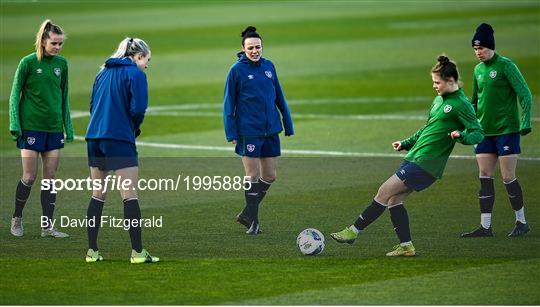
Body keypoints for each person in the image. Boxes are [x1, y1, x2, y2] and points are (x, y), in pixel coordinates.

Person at [331, 56, 484, 256]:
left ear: (450, 81)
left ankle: (352, 232)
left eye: (437, 82)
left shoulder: (461, 104)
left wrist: (461, 135)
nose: (434, 86)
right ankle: (406, 246)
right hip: (416, 157)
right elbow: (426, 129)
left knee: (383, 192)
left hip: (427, 162)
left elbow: (478, 132)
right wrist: (406, 143)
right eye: (433, 82)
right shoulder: (439, 100)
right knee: (394, 200)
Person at [84, 37, 159, 263]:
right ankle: (137, 253)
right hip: (118, 138)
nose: (147, 64)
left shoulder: (101, 73)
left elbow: (91, 106)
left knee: (97, 195)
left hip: (94, 138)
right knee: (129, 196)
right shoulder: (136, 74)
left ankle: (92, 251)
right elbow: (138, 109)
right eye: (147, 60)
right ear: (137, 56)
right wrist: (132, 129)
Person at [461, 23, 532, 238]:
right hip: (484, 132)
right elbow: (474, 101)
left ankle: (521, 222)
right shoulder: (477, 70)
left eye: (481, 48)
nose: (478, 52)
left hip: (506, 130)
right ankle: (485, 227)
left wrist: (525, 122)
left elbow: (525, 94)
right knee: (484, 175)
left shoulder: (506, 66)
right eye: (475, 49)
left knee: (508, 176)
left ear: (490, 47)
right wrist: (469, 126)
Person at [223, 26, 294, 235]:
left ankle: (247, 212)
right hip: (249, 132)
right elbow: (229, 105)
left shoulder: (269, 66)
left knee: (270, 176)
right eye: (251, 48)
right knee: (252, 176)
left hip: (270, 130)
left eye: (258, 47)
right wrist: (231, 133)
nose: (255, 51)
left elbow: (279, 96)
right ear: (243, 48)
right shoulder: (236, 71)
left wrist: (287, 124)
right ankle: (253, 221)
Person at [9, 19, 73, 238]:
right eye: (54, 43)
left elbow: (64, 96)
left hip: (54, 128)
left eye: (60, 44)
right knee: (29, 176)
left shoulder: (62, 64)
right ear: (43, 40)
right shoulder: (27, 63)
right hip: (31, 129)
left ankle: (47, 226)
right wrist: (14, 124)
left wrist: (68, 126)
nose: (57, 47)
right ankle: (17, 218)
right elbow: (14, 94)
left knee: (50, 178)